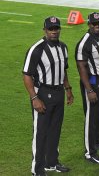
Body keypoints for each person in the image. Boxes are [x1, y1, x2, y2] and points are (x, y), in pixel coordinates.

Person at [22, 16, 73, 175]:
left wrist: (68, 89)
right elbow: (27, 75)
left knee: (55, 130)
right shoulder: (36, 49)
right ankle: (37, 170)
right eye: (50, 29)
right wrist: (34, 98)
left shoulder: (63, 47)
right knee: (40, 133)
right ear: (44, 30)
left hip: (58, 92)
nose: (54, 31)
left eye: (56, 28)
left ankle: (52, 162)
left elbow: (63, 70)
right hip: (42, 93)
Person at [75, 12, 99, 164]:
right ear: (89, 24)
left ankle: (98, 141)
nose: (97, 26)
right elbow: (81, 67)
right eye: (94, 24)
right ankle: (89, 152)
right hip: (91, 82)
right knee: (91, 117)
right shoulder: (84, 42)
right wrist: (89, 90)